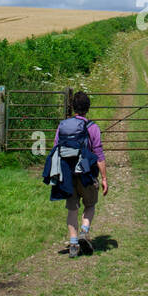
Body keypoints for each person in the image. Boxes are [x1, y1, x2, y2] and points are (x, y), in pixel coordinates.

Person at [51, 91, 107, 257]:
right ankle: (84, 230)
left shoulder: (62, 126)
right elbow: (99, 155)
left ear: (73, 108)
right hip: (86, 173)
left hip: (68, 174)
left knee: (72, 209)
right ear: (88, 108)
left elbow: (56, 149)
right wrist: (104, 178)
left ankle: (74, 244)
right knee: (90, 205)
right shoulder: (93, 128)